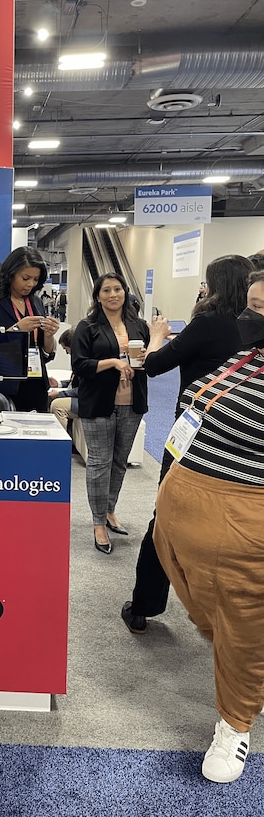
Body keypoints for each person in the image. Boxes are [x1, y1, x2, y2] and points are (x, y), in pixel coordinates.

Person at [153, 269, 264, 784]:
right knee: (218, 622)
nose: (249, 317)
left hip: (242, 528)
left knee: (243, 628)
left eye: (261, 309)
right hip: (183, 512)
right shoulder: (247, 357)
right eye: (252, 304)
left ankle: (235, 723)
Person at [121, 254, 252, 633]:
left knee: (166, 516)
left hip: (194, 435)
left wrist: (158, 334)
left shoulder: (209, 322)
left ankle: (144, 604)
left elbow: (154, 364)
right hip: (242, 442)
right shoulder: (248, 328)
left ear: (214, 285)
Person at [70, 272, 149, 553]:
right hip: (99, 403)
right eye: (106, 290)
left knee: (119, 462)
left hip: (132, 402)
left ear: (125, 292)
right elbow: (80, 366)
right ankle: (97, 522)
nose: (113, 294)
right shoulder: (87, 327)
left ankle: (109, 510)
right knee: (99, 462)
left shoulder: (139, 326)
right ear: (98, 296)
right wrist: (113, 362)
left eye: (118, 289)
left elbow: (148, 361)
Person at [0, 247, 60, 412]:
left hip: (36, 384)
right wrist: (15, 330)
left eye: (35, 279)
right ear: (10, 274)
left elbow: (45, 354)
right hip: (3, 385)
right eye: (25, 278)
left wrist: (48, 336)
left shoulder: (36, 302)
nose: (30, 284)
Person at [48, 328, 79, 430]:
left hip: (88, 401)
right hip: (80, 396)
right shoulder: (78, 360)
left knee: (56, 405)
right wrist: (59, 384)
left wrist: (60, 394)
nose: (66, 353)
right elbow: (75, 382)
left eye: (66, 349)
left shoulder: (84, 362)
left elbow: (83, 389)